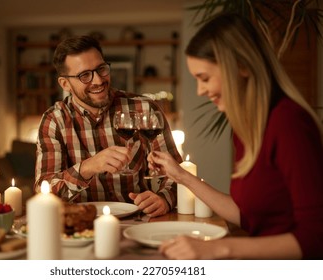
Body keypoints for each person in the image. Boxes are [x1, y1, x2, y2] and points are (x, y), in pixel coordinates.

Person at [148, 13, 323, 259]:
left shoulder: (288, 122)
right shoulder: (246, 127)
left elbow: (316, 237)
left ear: (241, 66)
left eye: (205, 78)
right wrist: (180, 176)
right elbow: (246, 215)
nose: (200, 91)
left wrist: (219, 248)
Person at [34, 35, 182, 217]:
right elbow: (45, 191)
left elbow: (177, 173)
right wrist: (88, 167)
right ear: (65, 84)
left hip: (140, 220)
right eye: (84, 75)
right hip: (81, 226)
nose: (98, 80)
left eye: (101, 69)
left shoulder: (143, 108)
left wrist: (164, 199)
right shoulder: (53, 120)